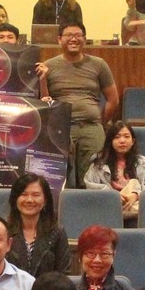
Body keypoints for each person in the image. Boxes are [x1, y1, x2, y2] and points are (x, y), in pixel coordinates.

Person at [37, 23, 118, 187]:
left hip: (92, 128)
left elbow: (113, 99)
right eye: (68, 35)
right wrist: (43, 80)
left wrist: (99, 122)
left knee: (94, 179)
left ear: (84, 39)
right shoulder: (48, 66)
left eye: (78, 35)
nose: (73, 39)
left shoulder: (99, 64)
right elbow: (44, 103)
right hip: (61, 128)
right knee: (61, 178)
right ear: (59, 39)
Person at [83, 120, 145, 220]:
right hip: (109, 209)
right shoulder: (98, 164)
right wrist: (112, 196)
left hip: (138, 210)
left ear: (133, 141)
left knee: (135, 184)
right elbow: (90, 185)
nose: (122, 141)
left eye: (126, 136)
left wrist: (136, 195)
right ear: (110, 141)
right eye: (117, 137)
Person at [6, 173, 71, 277]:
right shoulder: (4, 231)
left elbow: (63, 275)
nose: (29, 200)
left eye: (36, 195)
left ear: (45, 200)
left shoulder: (57, 232)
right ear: (15, 199)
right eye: (23, 194)